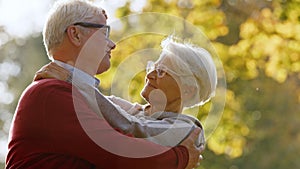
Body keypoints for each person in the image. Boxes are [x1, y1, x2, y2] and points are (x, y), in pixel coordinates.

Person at [5, 0, 203, 169]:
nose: (112, 44)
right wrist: (181, 157)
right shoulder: (50, 93)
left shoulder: (73, 94)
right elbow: (118, 149)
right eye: (104, 32)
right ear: (75, 34)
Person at [35, 36, 217, 148]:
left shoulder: (189, 130)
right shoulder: (123, 108)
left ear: (187, 89)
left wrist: (73, 81)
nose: (150, 74)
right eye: (153, 66)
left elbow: (134, 128)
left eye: (161, 71)